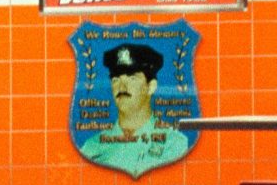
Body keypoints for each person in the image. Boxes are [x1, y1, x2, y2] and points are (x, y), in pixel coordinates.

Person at [77, 41, 191, 177]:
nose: (122, 87)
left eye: (132, 78)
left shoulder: (175, 144)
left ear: (151, 87)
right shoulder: (91, 147)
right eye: (116, 79)